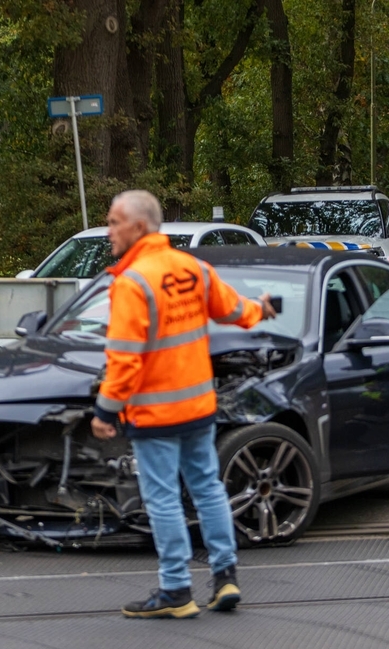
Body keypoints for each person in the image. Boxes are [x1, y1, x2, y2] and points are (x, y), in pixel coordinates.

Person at [90, 190, 275, 618]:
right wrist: (259, 311)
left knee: (163, 498)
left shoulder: (133, 281)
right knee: (208, 488)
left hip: (155, 412)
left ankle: (176, 590)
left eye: (115, 221)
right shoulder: (192, 267)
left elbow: (123, 356)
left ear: (139, 227)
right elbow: (232, 309)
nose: (109, 229)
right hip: (198, 406)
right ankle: (225, 576)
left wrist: (105, 409)